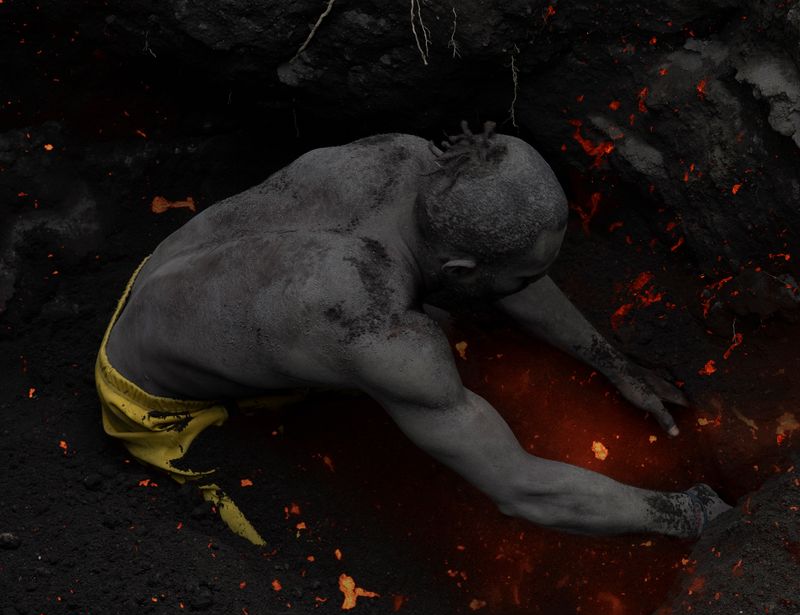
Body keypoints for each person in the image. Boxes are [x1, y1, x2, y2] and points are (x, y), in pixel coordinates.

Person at [95, 121, 730, 544]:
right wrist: (692, 515)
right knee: (274, 537)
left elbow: (503, 263)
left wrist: (611, 363)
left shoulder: (405, 158)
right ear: (460, 266)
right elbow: (524, 490)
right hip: (146, 394)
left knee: (439, 321)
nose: (536, 282)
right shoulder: (377, 329)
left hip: (173, 282)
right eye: (522, 276)